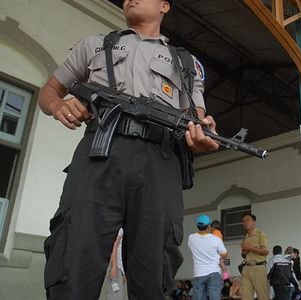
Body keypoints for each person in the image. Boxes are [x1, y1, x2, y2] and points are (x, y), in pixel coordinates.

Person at [39, 0, 220, 299]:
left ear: (164, 6)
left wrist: (205, 134)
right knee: (72, 261)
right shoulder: (94, 44)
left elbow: (197, 119)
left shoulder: (186, 62)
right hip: (99, 154)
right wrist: (58, 105)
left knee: (153, 274)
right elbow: (50, 90)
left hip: (160, 160)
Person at [188, 215, 228, 300]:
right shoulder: (216, 239)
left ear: (197, 226)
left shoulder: (191, 238)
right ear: (209, 226)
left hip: (199, 273)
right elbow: (225, 254)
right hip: (213, 272)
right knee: (214, 297)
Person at [240, 213, 269, 300]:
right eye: (243, 221)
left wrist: (250, 248)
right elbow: (243, 255)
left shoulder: (261, 235)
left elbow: (265, 252)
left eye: (248, 220)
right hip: (246, 268)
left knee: (262, 296)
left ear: (254, 222)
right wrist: (244, 252)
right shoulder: (245, 237)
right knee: (245, 297)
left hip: (258, 267)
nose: (245, 222)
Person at [106, 228, 126, 300]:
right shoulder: (120, 228)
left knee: (117, 296)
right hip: (115, 266)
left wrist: (124, 273)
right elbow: (114, 244)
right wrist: (114, 266)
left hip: (119, 268)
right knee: (115, 297)